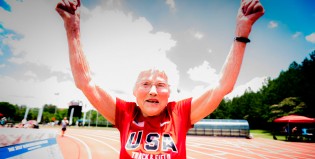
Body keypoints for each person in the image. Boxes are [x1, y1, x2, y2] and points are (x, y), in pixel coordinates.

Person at [56, 0, 264, 158]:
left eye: (160, 85)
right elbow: (86, 82)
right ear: (134, 91)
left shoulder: (179, 113)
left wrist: (241, 33)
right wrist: (72, 29)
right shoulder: (125, 113)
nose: (153, 91)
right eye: (145, 84)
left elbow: (222, 86)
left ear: (169, 93)